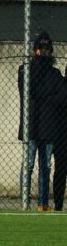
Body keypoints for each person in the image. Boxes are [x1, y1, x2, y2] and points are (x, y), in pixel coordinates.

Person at [18, 31, 62, 212]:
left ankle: (43, 203)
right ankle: (25, 201)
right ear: (35, 50)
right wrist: (48, 93)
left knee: (46, 166)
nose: (44, 53)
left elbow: (62, 97)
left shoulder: (55, 73)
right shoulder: (25, 70)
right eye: (41, 49)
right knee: (28, 164)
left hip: (49, 126)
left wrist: (42, 95)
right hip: (31, 125)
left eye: (47, 49)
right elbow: (27, 91)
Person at [52, 65, 67, 212]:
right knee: (60, 170)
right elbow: (58, 101)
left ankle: (58, 204)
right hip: (61, 135)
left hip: (60, 134)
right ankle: (58, 204)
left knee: (60, 170)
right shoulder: (61, 85)